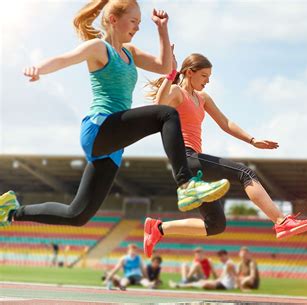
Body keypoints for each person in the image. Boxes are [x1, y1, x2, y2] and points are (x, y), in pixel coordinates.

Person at [0, 0, 230, 257]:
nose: (137, 28)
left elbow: (166, 67)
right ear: (113, 20)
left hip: (113, 144)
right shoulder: (100, 48)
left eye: (140, 24)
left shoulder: (130, 52)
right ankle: (186, 184)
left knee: (78, 214)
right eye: (133, 22)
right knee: (166, 114)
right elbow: (64, 59)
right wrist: (38, 70)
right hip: (99, 128)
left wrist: (162, 30)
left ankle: (11, 210)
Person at [144, 51, 307, 245]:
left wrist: (252, 140)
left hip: (196, 163)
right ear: (189, 72)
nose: (207, 81)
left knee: (216, 225)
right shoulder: (177, 92)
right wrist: (171, 72)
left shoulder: (203, 98)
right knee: (245, 173)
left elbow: (226, 123)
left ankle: (157, 229)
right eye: (204, 76)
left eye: (209, 77)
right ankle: (281, 221)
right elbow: (158, 106)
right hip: (186, 158)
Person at [169, 249, 236, 290]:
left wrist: (212, 281)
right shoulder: (228, 263)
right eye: (220, 256)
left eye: (222, 256)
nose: (220, 258)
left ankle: (181, 284)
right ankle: (181, 284)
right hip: (224, 283)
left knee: (203, 284)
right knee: (200, 283)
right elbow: (231, 276)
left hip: (225, 285)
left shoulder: (229, 264)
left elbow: (223, 277)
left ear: (226, 255)